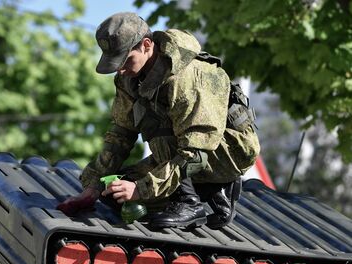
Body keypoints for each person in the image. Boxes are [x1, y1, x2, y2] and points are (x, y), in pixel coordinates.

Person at [57, 12, 260, 229]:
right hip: (184, 152)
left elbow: (197, 151)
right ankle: (208, 191)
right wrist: (93, 187)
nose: (120, 69)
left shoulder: (185, 77)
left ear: (146, 45)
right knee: (114, 193)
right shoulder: (129, 78)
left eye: (125, 59)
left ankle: (190, 202)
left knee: (158, 140)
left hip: (225, 151)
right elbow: (120, 133)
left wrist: (141, 189)